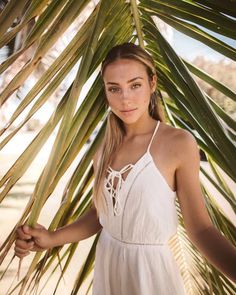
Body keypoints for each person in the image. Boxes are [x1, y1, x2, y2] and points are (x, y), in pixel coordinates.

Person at [14, 43, 236, 294]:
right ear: (105, 91)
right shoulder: (103, 147)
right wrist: (52, 238)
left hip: (150, 276)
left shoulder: (178, 143)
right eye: (114, 89)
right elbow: (101, 216)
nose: (125, 98)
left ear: (152, 83)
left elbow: (201, 229)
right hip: (109, 267)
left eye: (135, 85)